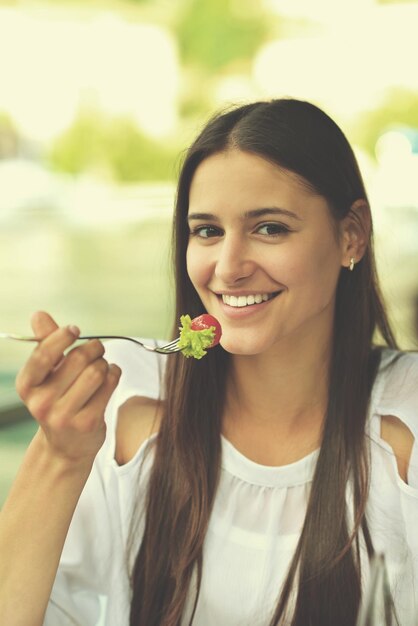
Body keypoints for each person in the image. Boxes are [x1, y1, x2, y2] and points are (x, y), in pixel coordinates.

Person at [0, 98, 417, 626]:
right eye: (207, 231)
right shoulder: (124, 403)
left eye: (269, 228)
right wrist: (60, 457)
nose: (227, 268)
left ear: (351, 234)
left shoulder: (405, 425)